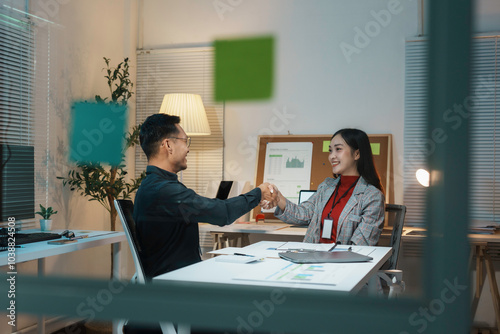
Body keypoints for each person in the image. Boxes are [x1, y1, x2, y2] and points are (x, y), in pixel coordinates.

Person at [133, 113, 277, 278]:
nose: (188, 149)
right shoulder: (164, 191)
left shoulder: (153, 186)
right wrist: (258, 194)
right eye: (185, 141)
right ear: (168, 145)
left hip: (178, 278)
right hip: (178, 285)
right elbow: (222, 213)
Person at [268, 128, 385, 245]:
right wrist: (277, 197)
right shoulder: (326, 187)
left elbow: (361, 246)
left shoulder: (372, 197)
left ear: (356, 154)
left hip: (343, 262)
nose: (331, 156)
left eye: (338, 149)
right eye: (330, 151)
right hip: (313, 257)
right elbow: (302, 214)